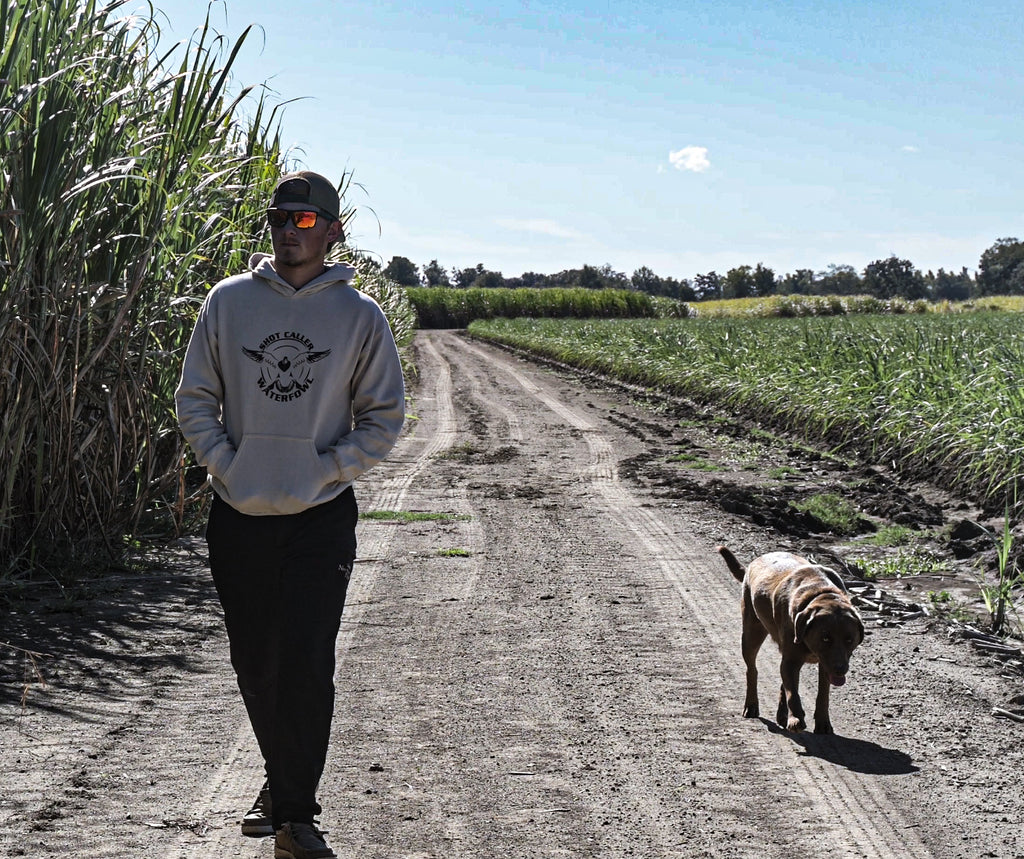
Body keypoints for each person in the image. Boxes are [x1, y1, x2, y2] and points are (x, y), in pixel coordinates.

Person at [175, 171, 405, 859]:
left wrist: (326, 469)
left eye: (304, 221)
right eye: (279, 218)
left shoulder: (359, 315)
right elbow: (194, 398)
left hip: (319, 516)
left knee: (306, 660)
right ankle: (282, 783)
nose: (288, 230)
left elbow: (383, 417)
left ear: (333, 231)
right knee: (256, 662)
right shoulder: (228, 302)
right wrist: (228, 464)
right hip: (237, 512)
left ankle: (296, 818)